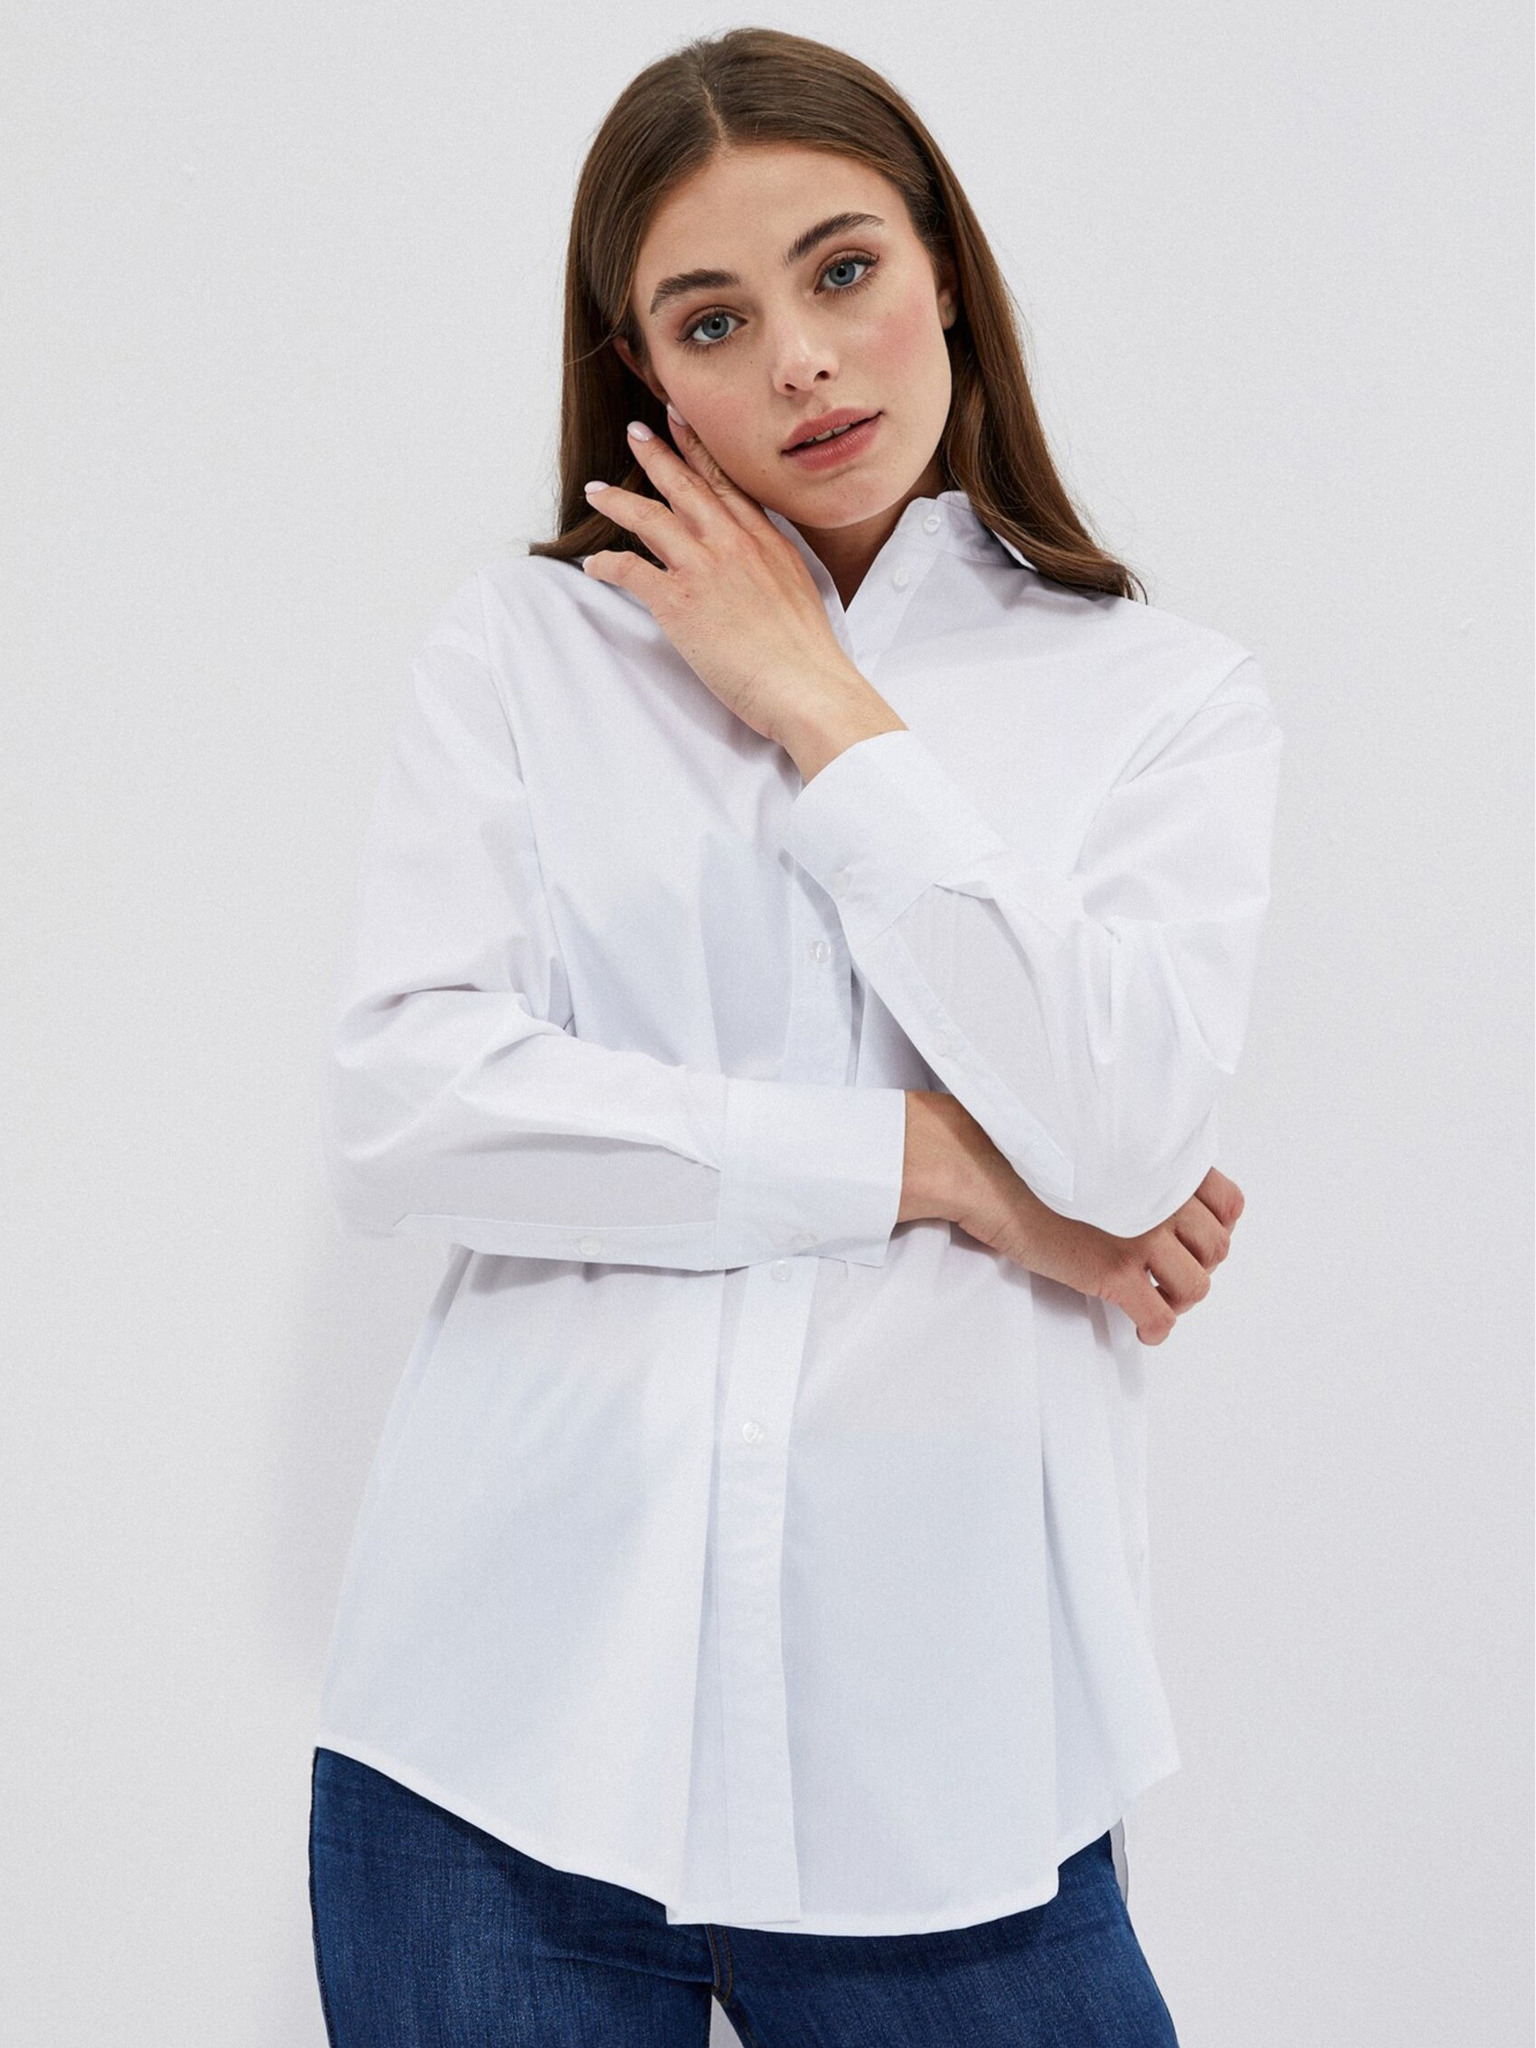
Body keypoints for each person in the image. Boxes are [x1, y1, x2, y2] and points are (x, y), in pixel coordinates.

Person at [307, 26, 1283, 2046]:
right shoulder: (529, 653)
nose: (805, 364)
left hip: (952, 1782)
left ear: (944, 268)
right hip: (501, 1750)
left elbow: (1121, 1136)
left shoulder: (1161, 699)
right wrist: (940, 1172)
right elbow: (412, 1107)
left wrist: (821, 708)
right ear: (644, 370)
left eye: (844, 272)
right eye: (715, 319)